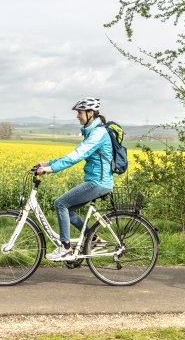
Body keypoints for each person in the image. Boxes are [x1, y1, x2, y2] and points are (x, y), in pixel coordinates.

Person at [36, 97, 114, 261]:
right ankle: (94, 239)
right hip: (96, 181)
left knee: (61, 203)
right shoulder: (93, 131)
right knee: (68, 209)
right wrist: (47, 163)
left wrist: (49, 170)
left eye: (80, 112)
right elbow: (73, 153)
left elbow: (77, 156)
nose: (77, 116)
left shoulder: (98, 133)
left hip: (98, 183)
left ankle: (65, 247)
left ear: (90, 113)